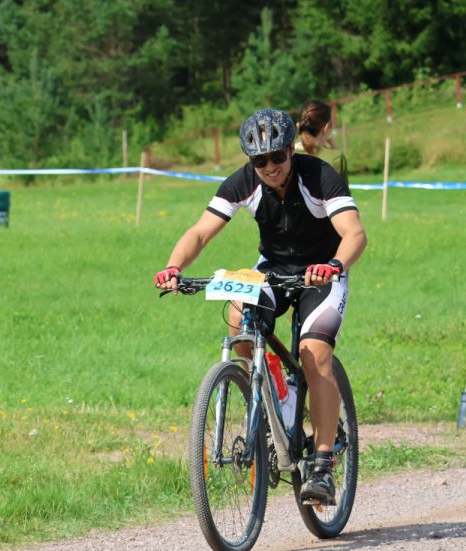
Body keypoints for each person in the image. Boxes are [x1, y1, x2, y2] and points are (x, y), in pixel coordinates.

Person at [154, 108, 367, 504]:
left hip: (322, 273)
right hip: (274, 270)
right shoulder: (243, 182)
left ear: (290, 150)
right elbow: (200, 232)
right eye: (259, 160)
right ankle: (280, 398)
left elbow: (354, 233)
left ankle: (322, 465)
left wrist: (335, 265)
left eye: (277, 156)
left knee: (314, 353)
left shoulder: (319, 176)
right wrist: (173, 267)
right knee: (239, 314)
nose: (269, 167)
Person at [296, 100, 349, 178]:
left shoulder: (288, 155)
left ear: (298, 126)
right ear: (326, 127)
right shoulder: (336, 158)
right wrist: (335, 149)